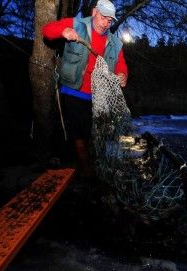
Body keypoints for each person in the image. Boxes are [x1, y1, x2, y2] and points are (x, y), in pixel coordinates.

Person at [42, 0, 128, 178]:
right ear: (94, 11)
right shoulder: (76, 24)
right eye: (103, 17)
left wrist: (123, 75)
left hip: (99, 97)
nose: (105, 23)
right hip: (73, 90)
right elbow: (47, 31)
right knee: (78, 131)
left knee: (94, 133)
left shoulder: (116, 43)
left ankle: (86, 165)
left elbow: (121, 65)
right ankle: (86, 170)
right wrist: (62, 31)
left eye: (109, 20)